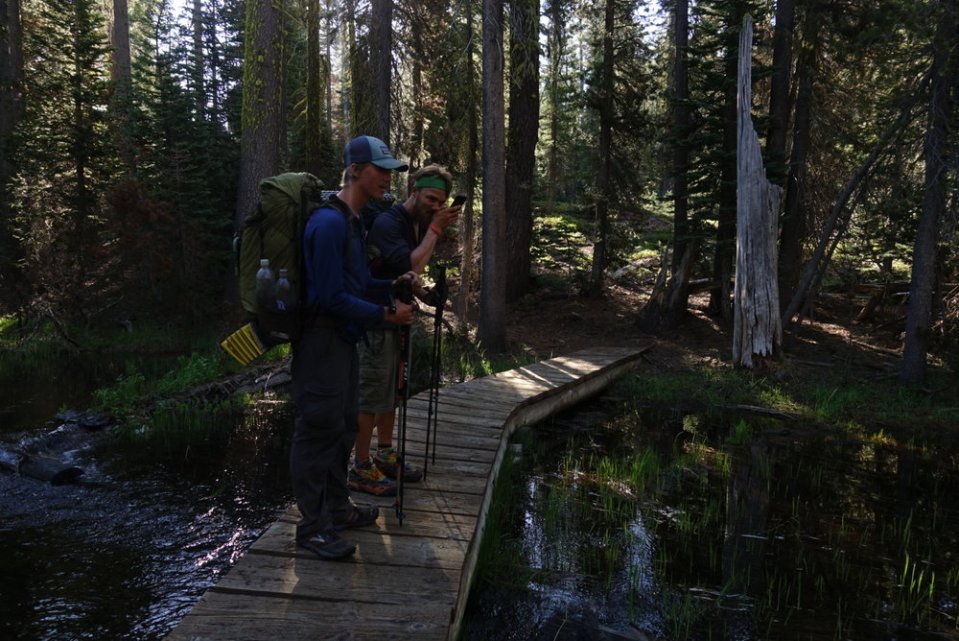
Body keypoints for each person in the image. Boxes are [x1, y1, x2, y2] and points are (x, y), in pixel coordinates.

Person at [290, 135, 416, 560]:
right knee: (317, 431)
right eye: (381, 170)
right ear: (356, 170)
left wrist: (391, 287)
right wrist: (386, 316)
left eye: (390, 171)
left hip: (343, 341)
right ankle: (311, 528)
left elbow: (356, 285)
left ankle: (338, 508)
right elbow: (328, 297)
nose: (387, 179)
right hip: (320, 342)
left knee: (344, 424)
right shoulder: (328, 224)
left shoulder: (353, 221)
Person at [349, 164, 460, 496]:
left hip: (398, 316)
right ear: (414, 191)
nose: (436, 207)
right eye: (430, 199)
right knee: (370, 396)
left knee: (392, 392)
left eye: (441, 202)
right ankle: (360, 465)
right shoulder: (388, 223)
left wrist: (423, 293)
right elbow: (412, 263)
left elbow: (405, 274)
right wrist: (436, 230)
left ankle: (384, 454)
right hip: (374, 318)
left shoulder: (416, 223)